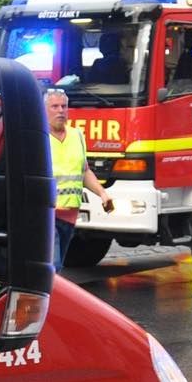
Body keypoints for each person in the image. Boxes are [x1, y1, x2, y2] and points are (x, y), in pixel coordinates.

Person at [46, 88, 112, 270]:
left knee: (57, 268)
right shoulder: (40, 138)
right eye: (54, 106)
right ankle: (50, 299)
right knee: (53, 268)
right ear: (44, 110)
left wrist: (102, 193)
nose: (60, 110)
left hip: (69, 217)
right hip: (47, 214)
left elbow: (84, 171)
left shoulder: (77, 136)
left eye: (64, 106)